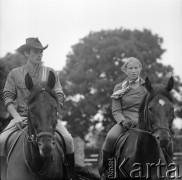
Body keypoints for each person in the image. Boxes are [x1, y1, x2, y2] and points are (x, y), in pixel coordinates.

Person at [0, 37, 74, 179]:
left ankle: (69, 176)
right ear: (26, 53)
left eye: (41, 52)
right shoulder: (14, 74)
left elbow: (59, 93)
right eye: (36, 51)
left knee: (68, 140)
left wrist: (53, 111)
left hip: (46, 119)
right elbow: (8, 97)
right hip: (21, 117)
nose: (39, 54)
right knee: (1, 141)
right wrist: (15, 116)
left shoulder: (50, 72)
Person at [101, 57, 147, 178]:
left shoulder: (147, 87)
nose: (133, 71)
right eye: (130, 68)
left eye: (136, 68)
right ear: (125, 70)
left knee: (163, 138)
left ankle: (167, 166)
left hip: (145, 123)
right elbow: (116, 110)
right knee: (110, 137)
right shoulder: (118, 87)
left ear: (140, 69)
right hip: (126, 122)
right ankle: (107, 170)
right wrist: (123, 121)